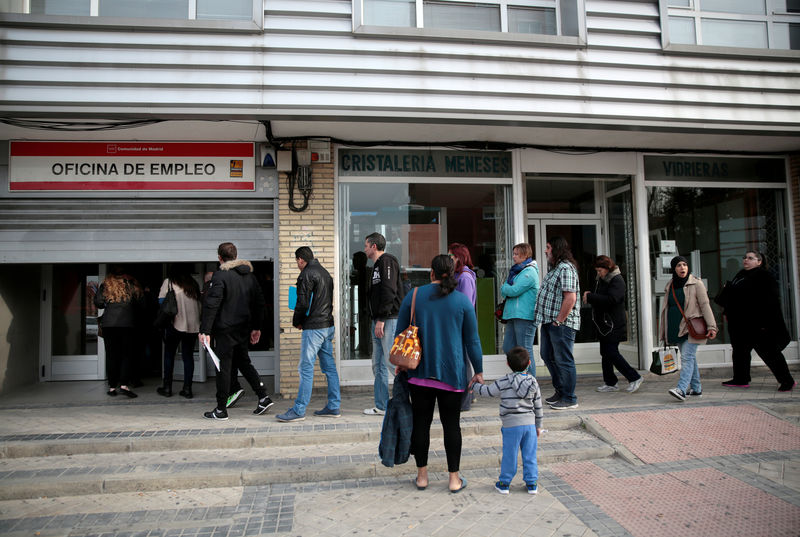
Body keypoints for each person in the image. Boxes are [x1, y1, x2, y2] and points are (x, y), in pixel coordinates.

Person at [399, 254, 483, 493]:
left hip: (419, 374)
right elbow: (473, 341)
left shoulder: (414, 296)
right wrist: (478, 371)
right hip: (453, 375)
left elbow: (400, 332)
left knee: (421, 424)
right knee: (452, 427)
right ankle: (454, 479)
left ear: (431, 273)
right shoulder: (462, 302)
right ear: (453, 274)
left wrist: (400, 363)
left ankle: (422, 476)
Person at [199, 242, 274, 420]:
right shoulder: (250, 277)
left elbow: (212, 304)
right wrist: (256, 327)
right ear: (236, 255)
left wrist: (205, 331)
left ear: (219, 258)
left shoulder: (220, 276)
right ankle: (263, 396)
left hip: (225, 330)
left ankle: (220, 409)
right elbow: (259, 303)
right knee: (243, 363)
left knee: (223, 367)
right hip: (243, 328)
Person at [276, 247, 341, 422]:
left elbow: (302, 303)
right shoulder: (325, 274)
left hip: (313, 328)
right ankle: (334, 406)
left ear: (300, 260)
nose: (297, 265)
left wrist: (296, 321)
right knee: (330, 368)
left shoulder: (306, 274)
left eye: (296, 261)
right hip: (327, 325)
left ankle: (299, 410)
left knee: (305, 368)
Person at [717, 251, 795, 391]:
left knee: (770, 353)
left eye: (750, 258)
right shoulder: (741, 274)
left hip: (757, 324)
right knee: (740, 352)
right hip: (740, 323)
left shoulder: (763, 275)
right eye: (745, 257)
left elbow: (769, 300)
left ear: (759, 262)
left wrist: (765, 323)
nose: (746, 260)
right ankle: (741, 379)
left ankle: (787, 381)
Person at [472, 346, 543, 495]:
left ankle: (504, 483)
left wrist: (475, 386)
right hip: (529, 425)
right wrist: (538, 425)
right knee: (530, 455)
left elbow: (488, 391)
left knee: (510, 454)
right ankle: (532, 484)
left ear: (508, 364)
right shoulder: (533, 382)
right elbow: (538, 405)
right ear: (529, 363)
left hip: (511, 426)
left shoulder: (504, 381)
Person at [659, 255, 718, 402]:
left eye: (685, 265)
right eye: (679, 265)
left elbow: (705, 305)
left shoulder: (696, 283)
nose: (682, 268)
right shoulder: (670, 285)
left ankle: (681, 389)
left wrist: (712, 326)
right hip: (675, 327)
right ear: (674, 268)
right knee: (689, 358)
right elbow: (666, 308)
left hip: (691, 327)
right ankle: (696, 389)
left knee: (687, 357)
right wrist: (664, 330)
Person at [583, 256, 643, 394]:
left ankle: (634, 377)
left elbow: (612, 299)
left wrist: (591, 297)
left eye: (600, 271)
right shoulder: (602, 280)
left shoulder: (617, 280)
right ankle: (610, 382)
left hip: (614, 323)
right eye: (597, 271)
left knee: (611, 352)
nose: (599, 274)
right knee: (605, 353)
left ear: (607, 268)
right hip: (603, 324)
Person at [533, 236, 580, 410]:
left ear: (556, 249)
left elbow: (570, 297)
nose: (546, 251)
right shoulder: (555, 269)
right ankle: (560, 391)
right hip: (549, 322)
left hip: (561, 324)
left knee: (563, 360)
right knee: (547, 355)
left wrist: (559, 320)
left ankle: (569, 397)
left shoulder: (566, 268)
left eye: (548, 247)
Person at [363, 232, 404, 416]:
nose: (364, 249)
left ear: (373, 246)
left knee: (390, 362)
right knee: (377, 364)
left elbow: (389, 290)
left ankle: (412, 398)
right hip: (378, 320)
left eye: (366, 245)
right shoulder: (376, 266)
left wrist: (381, 318)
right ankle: (381, 405)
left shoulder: (387, 261)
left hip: (389, 319)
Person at [94, 265, 145, 398]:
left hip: (109, 324)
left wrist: (108, 303)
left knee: (111, 355)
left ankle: (112, 387)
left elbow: (98, 302)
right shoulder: (130, 284)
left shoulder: (106, 284)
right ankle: (123, 385)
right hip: (127, 324)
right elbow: (141, 302)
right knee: (126, 355)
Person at [156, 264, 201, 399]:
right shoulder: (193, 284)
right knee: (188, 356)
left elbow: (161, 301)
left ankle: (167, 388)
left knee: (169, 355)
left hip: (175, 324)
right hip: (193, 326)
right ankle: (187, 389)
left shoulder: (169, 282)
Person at [500, 243, 539, 376]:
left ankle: (530, 383)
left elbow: (513, 290)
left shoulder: (530, 271)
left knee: (525, 351)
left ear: (525, 255)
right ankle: (519, 376)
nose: (514, 256)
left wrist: (506, 288)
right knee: (508, 347)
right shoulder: (517, 271)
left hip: (525, 316)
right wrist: (506, 289)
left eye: (517, 254)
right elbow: (506, 290)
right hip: (513, 315)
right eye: (514, 253)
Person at [449, 242, 478, 411]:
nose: (449, 259)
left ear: (458, 257)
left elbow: (464, 304)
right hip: (458, 324)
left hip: (462, 325)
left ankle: (464, 400)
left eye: (451, 256)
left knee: (463, 363)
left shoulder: (465, 277)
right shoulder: (459, 275)